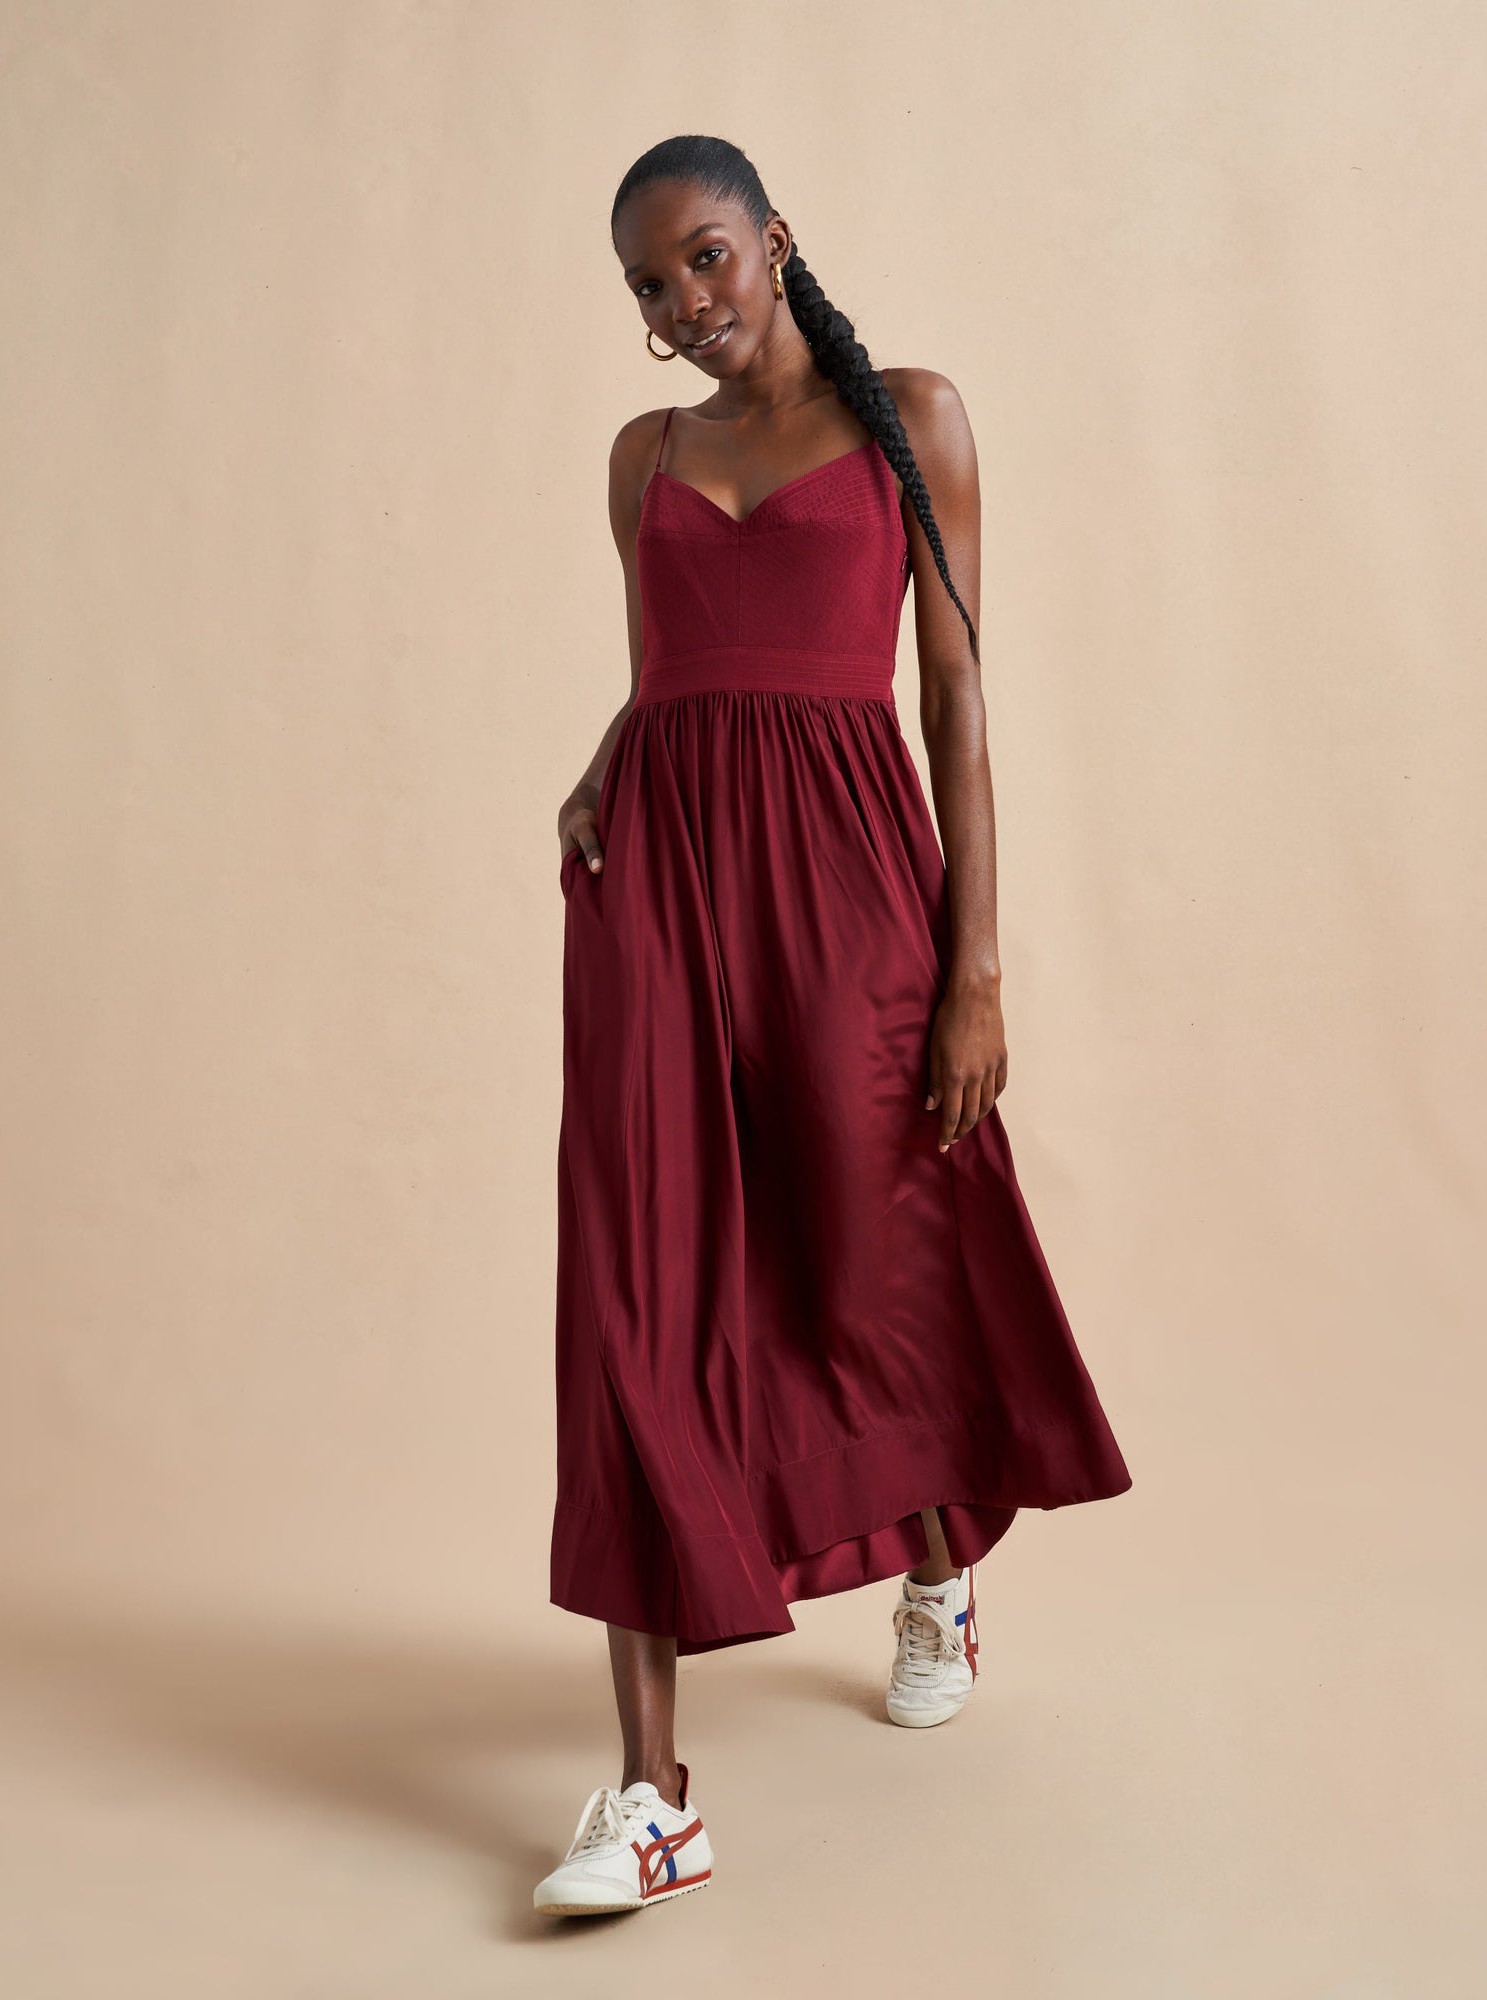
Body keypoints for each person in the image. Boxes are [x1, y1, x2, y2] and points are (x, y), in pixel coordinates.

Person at [534, 134, 1133, 1918]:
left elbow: (951, 693)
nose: (683, 304)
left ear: (773, 238)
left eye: (705, 258)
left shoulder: (911, 420)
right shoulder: (642, 456)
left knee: (869, 1259)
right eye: (650, 285)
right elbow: (669, 670)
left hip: (849, 890)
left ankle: (936, 1564)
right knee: (634, 1293)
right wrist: (600, 763)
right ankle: (652, 1798)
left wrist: (974, 968)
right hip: (658, 896)